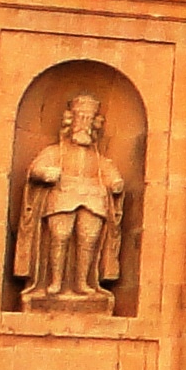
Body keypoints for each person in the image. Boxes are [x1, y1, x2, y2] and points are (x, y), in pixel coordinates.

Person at [15, 93, 130, 307]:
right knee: (60, 235)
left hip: (93, 199)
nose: (84, 125)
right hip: (62, 196)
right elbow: (35, 169)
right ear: (71, 120)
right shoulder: (54, 152)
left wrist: (115, 183)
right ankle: (55, 282)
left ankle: (83, 283)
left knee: (89, 238)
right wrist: (45, 173)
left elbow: (111, 173)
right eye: (80, 119)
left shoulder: (99, 159)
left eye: (88, 120)